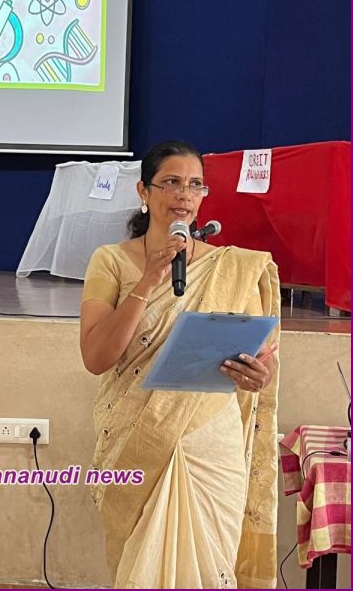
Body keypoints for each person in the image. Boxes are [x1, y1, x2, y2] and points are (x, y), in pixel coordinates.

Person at [80, 140, 280, 590]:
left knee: (210, 565)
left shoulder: (233, 267)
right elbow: (96, 357)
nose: (184, 195)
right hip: (137, 437)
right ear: (144, 191)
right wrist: (149, 279)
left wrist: (258, 376)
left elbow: (258, 359)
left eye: (195, 185)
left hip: (212, 442)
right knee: (140, 566)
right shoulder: (111, 261)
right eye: (171, 182)